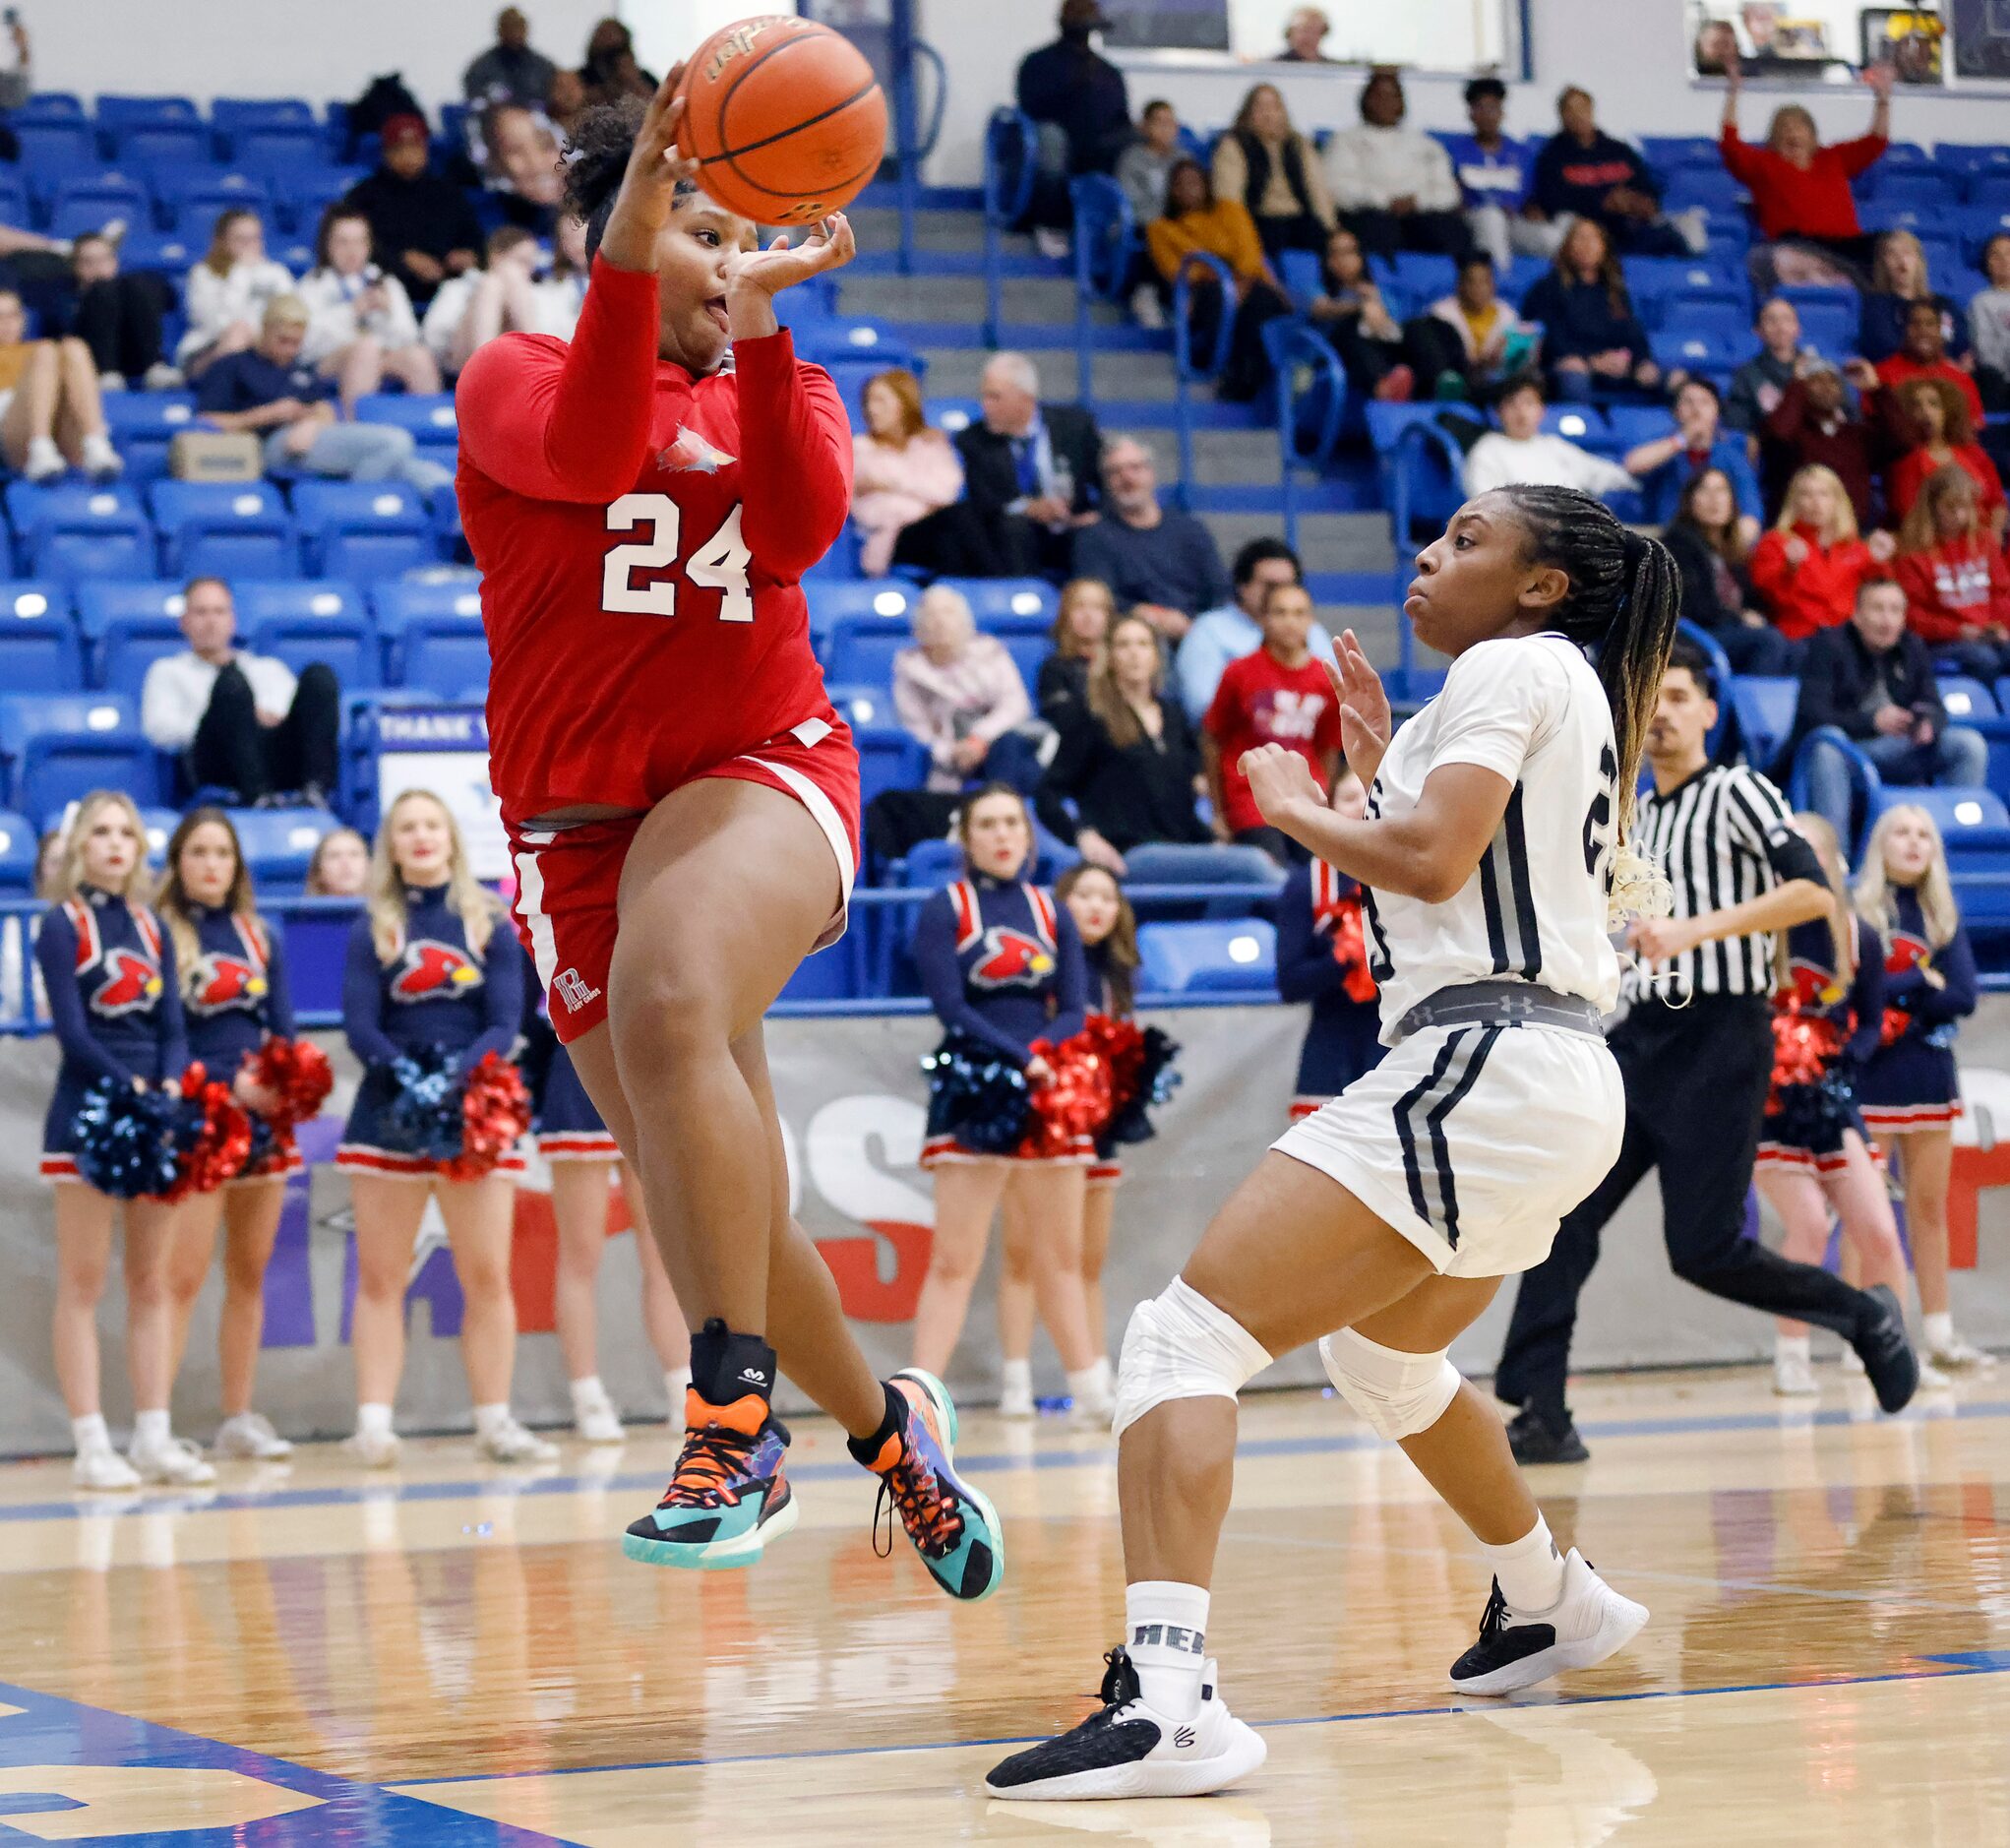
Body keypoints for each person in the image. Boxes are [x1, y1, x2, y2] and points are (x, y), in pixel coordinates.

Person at [988, 485, 1682, 1805]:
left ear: (1541, 584)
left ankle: (1170, 1696)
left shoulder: (1506, 663)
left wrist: (1295, 800)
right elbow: (1460, 867)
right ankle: (1547, 1597)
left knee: (1180, 1339)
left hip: (1480, 1058)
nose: (1427, 552)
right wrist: (1377, 762)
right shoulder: (1539, 685)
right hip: (1548, 1073)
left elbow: (1425, 864)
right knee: (1382, 1357)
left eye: (1467, 540)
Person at [458, 79, 1004, 1591]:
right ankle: (891, 1432)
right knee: (727, 1208)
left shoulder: (794, 386)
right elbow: (580, 458)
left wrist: (766, 331)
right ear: (629, 239)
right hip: (573, 831)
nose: (721, 257)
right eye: (697, 231)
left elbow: (794, 531)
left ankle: (727, 1413)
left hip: (762, 765)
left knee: (676, 991)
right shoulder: (515, 374)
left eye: (738, 234)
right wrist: (646, 191)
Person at [1494, 635, 1919, 1469]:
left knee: (1704, 1250)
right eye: (1652, 701)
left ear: (1711, 713)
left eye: (1681, 698)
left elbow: (1809, 890)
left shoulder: (1736, 791)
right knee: (1561, 1218)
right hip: (1639, 1036)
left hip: (1722, 1037)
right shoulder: (1632, 815)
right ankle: (1539, 1409)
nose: (1664, 716)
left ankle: (1863, 1314)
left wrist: (1695, 929)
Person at [335, 790, 553, 1467]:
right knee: (380, 1277)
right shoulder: (373, 925)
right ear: (392, 846)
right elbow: (361, 1026)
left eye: (432, 824)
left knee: (486, 1275)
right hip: (386, 1112)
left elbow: (505, 1020)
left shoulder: (488, 920)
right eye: (407, 828)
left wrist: (454, 1077)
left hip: (473, 1111)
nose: (421, 837)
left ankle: (495, 1421)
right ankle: (373, 1424)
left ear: (451, 839)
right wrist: (409, 1076)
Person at [911, 787, 1110, 1427]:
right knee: (954, 1259)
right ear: (966, 839)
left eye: (1011, 825)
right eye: (987, 825)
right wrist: (1018, 1056)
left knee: (1060, 1256)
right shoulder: (946, 907)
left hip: (1047, 1081)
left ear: (1027, 837)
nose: (1001, 835)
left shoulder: (1051, 909)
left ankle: (1090, 1392)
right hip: (977, 1082)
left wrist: (1042, 1053)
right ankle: (917, 1404)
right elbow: (951, 1008)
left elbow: (1075, 1005)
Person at [35, 792, 210, 1492]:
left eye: (125, 834)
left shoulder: (152, 926)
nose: (113, 844)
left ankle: (153, 1436)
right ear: (80, 846)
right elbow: (73, 1035)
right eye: (100, 833)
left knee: (151, 1282)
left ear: (140, 848)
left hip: (151, 1109)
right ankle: (89, 1442)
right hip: (87, 1109)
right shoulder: (61, 924)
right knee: (83, 1280)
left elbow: (172, 1025)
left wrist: (166, 1088)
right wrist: (130, 1090)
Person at [157, 809, 301, 1463]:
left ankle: (237, 1415)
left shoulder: (258, 935)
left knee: (249, 1272)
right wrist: (224, 1083)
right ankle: (154, 1426)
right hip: (197, 1121)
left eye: (221, 852)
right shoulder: (162, 935)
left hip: (260, 1125)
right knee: (181, 1277)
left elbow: (283, 1030)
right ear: (179, 863)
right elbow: (166, 1040)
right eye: (198, 852)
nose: (210, 864)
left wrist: (280, 1079)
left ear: (236, 865)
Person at [1756, 812, 1915, 1397]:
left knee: (1878, 1230)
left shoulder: (1856, 935)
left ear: (1830, 865)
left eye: (1810, 855)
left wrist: (1843, 1058)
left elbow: (1871, 1021)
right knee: (1808, 1225)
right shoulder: (1759, 934)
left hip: (1831, 1098)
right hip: (1770, 1107)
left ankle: (1886, 1349)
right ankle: (1791, 1356)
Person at [1855, 805, 1990, 1373]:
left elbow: (1962, 995)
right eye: (1902, 832)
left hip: (1929, 1077)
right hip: (1870, 1078)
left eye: (1924, 835)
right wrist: (1916, 980)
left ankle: (1938, 1335)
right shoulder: (1858, 912)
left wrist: (1898, 999)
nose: (1913, 843)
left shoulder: (1942, 916)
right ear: (1880, 844)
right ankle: (1865, 1340)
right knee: (1868, 1216)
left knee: (1929, 1210)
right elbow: (1861, 991)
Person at [539, 1042, 692, 1443]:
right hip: (577, 1076)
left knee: (663, 1252)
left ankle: (685, 1392)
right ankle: (587, 1396)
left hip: (643, 1072)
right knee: (581, 1253)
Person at [1790, 577, 1987, 844]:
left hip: (1900, 748)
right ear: (1857, 615)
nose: (1887, 620)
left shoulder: (1912, 646)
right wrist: (1872, 722)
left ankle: (1956, 849)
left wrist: (1928, 723)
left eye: (1895, 611)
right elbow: (1811, 715)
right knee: (1827, 745)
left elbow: (1934, 704)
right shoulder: (1828, 646)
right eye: (1878, 609)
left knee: (1968, 744)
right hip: (1850, 751)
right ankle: (1838, 861)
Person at [194, 296, 452, 495]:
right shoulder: (233, 365)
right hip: (268, 444)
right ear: (266, 329)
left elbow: (323, 407)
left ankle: (461, 506)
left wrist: (312, 421)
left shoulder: (300, 368)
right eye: (283, 340)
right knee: (394, 443)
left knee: (410, 468)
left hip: (309, 436)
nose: (290, 349)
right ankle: (355, 506)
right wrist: (267, 415)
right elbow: (207, 419)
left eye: (296, 342)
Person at [1050, 861, 1140, 1416]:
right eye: (1083, 894)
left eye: (1106, 896)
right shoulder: (1052, 963)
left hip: (1102, 1116)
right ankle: (1020, 1380)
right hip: (1054, 1114)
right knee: (1032, 1257)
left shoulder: (1120, 973)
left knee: (1088, 1260)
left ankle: (1097, 1381)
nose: (1096, 906)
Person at [140, 577, 339, 808]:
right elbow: (159, 729)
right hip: (217, 762)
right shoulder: (168, 671)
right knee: (232, 687)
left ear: (232, 620)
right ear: (184, 622)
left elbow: (298, 718)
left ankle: (316, 792)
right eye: (201, 613)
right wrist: (225, 718)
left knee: (320, 677)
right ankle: (257, 797)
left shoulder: (268, 668)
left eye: (219, 612)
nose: (211, 621)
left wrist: (265, 718)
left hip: (274, 757)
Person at [1038, 611, 1209, 874]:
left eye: (1143, 644)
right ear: (1109, 656)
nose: (1134, 653)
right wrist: (1082, 836)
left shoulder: (1174, 716)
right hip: (1131, 853)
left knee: (1251, 861)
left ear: (1156, 655)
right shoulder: (1090, 716)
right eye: (1123, 645)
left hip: (1185, 845)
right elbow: (1048, 793)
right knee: (1251, 867)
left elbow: (1193, 785)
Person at [1720, 51, 1891, 288]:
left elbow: (1876, 142)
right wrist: (1733, 91)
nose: (1792, 133)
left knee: (1893, 246)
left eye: (1800, 127)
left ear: (1812, 135)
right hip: (1797, 245)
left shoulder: (1833, 158)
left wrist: (1882, 99)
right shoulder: (1764, 164)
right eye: (1784, 128)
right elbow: (1729, 145)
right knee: (1769, 258)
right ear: (1773, 137)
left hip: (1846, 247)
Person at [1201, 580, 1343, 863]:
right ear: (1264, 619)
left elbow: (1328, 749)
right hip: (1249, 802)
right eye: (1280, 612)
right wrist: (1218, 812)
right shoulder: (1238, 673)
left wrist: (1321, 797)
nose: (1290, 621)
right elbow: (1212, 741)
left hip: (1306, 802)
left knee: (1318, 878)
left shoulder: (1325, 680)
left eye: (1299, 613)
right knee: (1272, 876)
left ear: (1310, 620)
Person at [1275, 767, 1383, 1124]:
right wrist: (1345, 956)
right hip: (1330, 1047)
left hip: (1395, 1048)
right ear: (1330, 808)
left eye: (1370, 795)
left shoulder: (1416, 875)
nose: (1361, 807)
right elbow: (1290, 983)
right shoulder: (1305, 884)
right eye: (1349, 798)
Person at [1141, 158, 1292, 403]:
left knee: (1263, 303)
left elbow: (1249, 253)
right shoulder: (1160, 229)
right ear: (1171, 191)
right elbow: (1175, 270)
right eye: (1180, 185)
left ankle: (1250, 376)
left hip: (1248, 280)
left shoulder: (1230, 210)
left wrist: (1239, 284)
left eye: (1195, 182)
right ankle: (1230, 372)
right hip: (1203, 288)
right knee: (1217, 299)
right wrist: (1217, 277)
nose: (1189, 189)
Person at [952, 350, 1102, 579]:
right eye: (984, 397)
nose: (985, 406)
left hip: (1072, 528)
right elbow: (984, 504)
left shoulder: (1075, 427)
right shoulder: (973, 440)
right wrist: (1029, 508)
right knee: (1013, 528)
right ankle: (1023, 601)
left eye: (995, 397)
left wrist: (1098, 516)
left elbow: (1106, 478)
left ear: (1025, 398)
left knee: (1097, 534)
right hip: (1014, 539)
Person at [1073, 436, 1232, 641]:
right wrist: (1152, 616)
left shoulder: (1191, 530)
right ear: (1105, 482)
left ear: (1151, 472)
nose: (1127, 478)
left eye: (1135, 468)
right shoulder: (1094, 538)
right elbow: (1100, 600)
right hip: (1132, 639)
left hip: (1199, 636)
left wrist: (1197, 629)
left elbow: (1220, 590)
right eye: (1115, 472)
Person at [892, 585, 1041, 796]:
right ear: (918, 626)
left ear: (964, 620)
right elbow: (916, 729)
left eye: (948, 613)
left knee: (1011, 747)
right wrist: (952, 752)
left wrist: (979, 739)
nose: (940, 621)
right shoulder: (909, 668)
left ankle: (997, 810)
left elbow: (1015, 705)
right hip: (948, 765)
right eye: (931, 614)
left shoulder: (990, 651)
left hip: (998, 746)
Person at [297, 206, 442, 416]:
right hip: (327, 362)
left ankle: (427, 430)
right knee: (367, 348)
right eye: (343, 242)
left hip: (381, 355)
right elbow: (305, 346)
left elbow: (410, 337)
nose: (352, 250)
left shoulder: (386, 283)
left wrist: (389, 311)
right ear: (327, 245)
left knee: (419, 357)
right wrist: (351, 312)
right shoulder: (312, 285)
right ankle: (359, 430)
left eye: (359, 241)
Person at [1320, 68, 1472, 265]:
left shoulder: (1426, 144)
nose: (1385, 103)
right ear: (1365, 101)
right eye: (1378, 96)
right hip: (1372, 212)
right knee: (1375, 227)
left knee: (1452, 229)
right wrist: (1384, 200)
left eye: (1393, 96)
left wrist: (1417, 202)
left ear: (1402, 103)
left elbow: (1448, 192)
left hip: (1420, 212)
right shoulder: (1345, 141)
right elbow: (1337, 188)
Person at [1179, 537, 1337, 722]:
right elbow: (1201, 707)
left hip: (1305, 743)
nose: (1279, 593)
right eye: (1270, 585)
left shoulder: (1311, 630)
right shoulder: (1209, 629)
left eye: (1288, 585)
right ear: (1242, 586)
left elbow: (1336, 699)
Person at [1016, 0, 1131, 254]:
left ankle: (1120, 226)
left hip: (1099, 146)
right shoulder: (1037, 63)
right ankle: (1051, 223)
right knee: (1051, 140)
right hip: (1058, 141)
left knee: (1133, 143)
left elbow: (1122, 118)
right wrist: (1074, 88)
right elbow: (1031, 108)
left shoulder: (1108, 72)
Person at [1530, 86, 1697, 259]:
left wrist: (1638, 201)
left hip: (1630, 225)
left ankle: (1698, 275)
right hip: (1587, 230)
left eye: (1583, 108)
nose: (1578, 115)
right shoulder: (1551, 155)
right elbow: (1552, 202)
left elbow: (1646, 187)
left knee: (1684, 228)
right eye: (1571, 110)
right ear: (1562, 115)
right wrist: (1603, 202)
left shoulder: (1619, 150)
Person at [1663, 466, 1796, 675]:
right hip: (1696, 635)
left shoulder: (1733, 550)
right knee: (1769, 642)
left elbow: (1753, 599)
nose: (1714, 500)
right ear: (1690, 500)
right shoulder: (1678, 545)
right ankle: (1745, 707)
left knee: (1797, 649)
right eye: (1705, 491)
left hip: (1729, 631)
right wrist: (1741, 618)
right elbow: (1696, 606)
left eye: (1721, 491)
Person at [342, 114, 484, 308]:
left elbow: (475, 239)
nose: (408, 155)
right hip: (386, 291)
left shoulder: (448, 193)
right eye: (399, 148)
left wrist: (468, 255)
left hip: (450, 290)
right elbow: (355, 246)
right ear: (386, 153)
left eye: (415, 146)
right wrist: (403, 260)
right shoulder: (363, 197)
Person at [1519, 216, 1660, 402]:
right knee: (1574, 377)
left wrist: (1640, 361)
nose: (1587, 245)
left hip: (1614, 367)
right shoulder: (1547, 288)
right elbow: (1548, 338)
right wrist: (1591, 361)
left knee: (1670, 379)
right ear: (1567, 245)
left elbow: (1632, 332)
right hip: (1567, 367)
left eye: (1593, 239)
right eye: (1580, 238)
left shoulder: (1615, 291)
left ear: (1604, 247)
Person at [422, 221, 588, 376]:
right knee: (492, 284)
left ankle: (533, 368)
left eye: (531, 264)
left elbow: (561, 334)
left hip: (517, 361)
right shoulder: (460, 286)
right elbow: (436, 340)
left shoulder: (536, 291)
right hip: (462, 360)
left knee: (505, 285)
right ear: (496, 256)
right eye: (520, 261)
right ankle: (484, 370)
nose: (527, 270)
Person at [1749, 464, 1891, 644]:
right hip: (1800, 638)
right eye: (1807, 495)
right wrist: (1789, 569)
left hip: (1849, 639)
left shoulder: (1855, 547)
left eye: (1824, 494)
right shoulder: (1775, 542)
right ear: (1794, 501)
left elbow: (1881, 595)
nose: (1816, 502)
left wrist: (1878, 563)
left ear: (1837, 501)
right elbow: (1770, 598)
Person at [1895, 464, 2010, 679]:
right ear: (1933, 507)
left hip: (1986, 635)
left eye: (1965, 507)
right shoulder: (1913, 551)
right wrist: (1957, 630)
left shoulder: (1984, 541)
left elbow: (2001, 593)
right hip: (1939, 643)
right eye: (1950, 507)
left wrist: (1999, 626)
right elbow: (1911, 614)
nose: (1959, 515)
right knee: (1984, 659)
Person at [0, 286, 122, 482]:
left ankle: (96, 443)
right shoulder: (41, 352)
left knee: (75, 347)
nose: (6, 324)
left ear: (23, 319)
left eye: (12, 316)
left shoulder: (33, 348)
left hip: (63, 431)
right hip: (12, 433)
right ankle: (39, 448)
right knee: (45, 352)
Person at [851, 366, 963, 577]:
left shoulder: (929, 444)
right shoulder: (859, 448)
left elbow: (948, 493)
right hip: (893, 541)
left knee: (966, 519)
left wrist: (892, 484)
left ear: (903, 403)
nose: (871, 409)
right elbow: (873, 512)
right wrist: (927, 505)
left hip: (938, 529)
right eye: (868, 401)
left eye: (880, 401)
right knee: (954, 522)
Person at [1443, 77, 1563, 274]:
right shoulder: (1455, 151)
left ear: (1502, 113)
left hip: (1515, 222)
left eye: (1493, 108)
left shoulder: (1521, 153)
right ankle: (1498, 287)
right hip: (1475, 220)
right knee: (1492, 218)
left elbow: (1532, 197)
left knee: (1553, 237)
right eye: (1480, 108)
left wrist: (1532, 208)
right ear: (1471, 114)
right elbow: (1449, 195)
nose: (1487, 115)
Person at [1211, 83, 1337, 261]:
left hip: (1299, 218)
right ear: (1248, 113)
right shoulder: (1234, 146)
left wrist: (1331, 229)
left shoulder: (1298, 145)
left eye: (1274, 107)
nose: (1268, 115)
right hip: (1259, 220)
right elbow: (1231, 199)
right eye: (1261, 107)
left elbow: (1318, 190)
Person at [1461, 373, 1637, 499]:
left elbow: (1603, 473)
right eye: (1512, 404)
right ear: (1499, 412)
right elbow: (1483, 505)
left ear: (1541, 411)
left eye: (1529, 403)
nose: (1521, 412)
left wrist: (1631, 473)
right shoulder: (1487, 451)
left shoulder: (1554, 446)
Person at [1621, 377, 1763, 531]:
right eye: (1688, 402)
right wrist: (1682, 439)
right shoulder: (1665, 447)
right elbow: (1632, 465)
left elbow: (1751, 514)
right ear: (1676, 412)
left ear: (1717, 412)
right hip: (1665, 537)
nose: (1696, 409)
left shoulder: (1732, 456)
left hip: (1714, 540)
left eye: (1704, 402)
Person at [177, 209, 294, 376]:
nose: (250, 246)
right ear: (223, 242)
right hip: (208, 352)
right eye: (241, 240)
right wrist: (240, 274)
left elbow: (292, 316)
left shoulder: (277, 273)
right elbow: (217, 325)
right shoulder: (204, 274)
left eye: (255, 239)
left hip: (264, 352)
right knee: (238, 333)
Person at [1406, 254, 1538, 403]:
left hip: (1492, 383)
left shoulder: (1508, 315)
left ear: (1493, 285)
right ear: (1460, 285)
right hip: (1455, 377)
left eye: (1485, 282)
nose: (1478, 289)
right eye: (1472, 282)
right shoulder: (1440, 314)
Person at [1760, 361, 1877, 528]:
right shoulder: (1792, 432)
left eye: (1832, 381)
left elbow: (1903, 441)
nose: (1826, 387)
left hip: (1851, 534)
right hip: (1797, 535)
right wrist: (1796, 386)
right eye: (1817, 381)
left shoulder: (1855, 434)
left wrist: (1876, 390)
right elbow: (1778, 434)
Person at [1305, 224, 1413, 400]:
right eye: (1335, 253)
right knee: (1352, 324)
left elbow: (1395, 331)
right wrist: (1360, 307)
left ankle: (1437, 385)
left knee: (1421, 327)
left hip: (1379, 352)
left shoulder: (1378, 292)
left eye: (1349, 252)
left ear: (1360, 257)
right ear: (1327, 260)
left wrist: (1375, 301)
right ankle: (1382, 388)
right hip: (1335, 358)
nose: (1343, 260)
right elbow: (1321, 309)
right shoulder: (1315, 289)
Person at [1886, 379, 2006, 534]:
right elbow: (1908, 514)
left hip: (1983, 544)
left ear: (1947, 410)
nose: (1926, 412)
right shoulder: (1905, 461)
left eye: (1934, 404)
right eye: (1917, 406)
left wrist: (1992, 540)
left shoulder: (1972, 452)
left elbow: (1997, 503)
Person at [62, 230, 170, 390]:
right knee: (102, 292)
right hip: (90, 359)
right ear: (75, 266)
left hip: (133, 358)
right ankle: (107, 371)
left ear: (115, 261)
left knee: (136, 284)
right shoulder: (65, 298)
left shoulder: (133, 290)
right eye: (88, 262)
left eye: (103, 259)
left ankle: (155, 367)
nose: (97, 267)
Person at [1859, 296, 1984, 428]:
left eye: (1930, 324)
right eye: (1915, 324)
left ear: (1940, 331)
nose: (1923, 331)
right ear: (1904, 330)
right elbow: (1872, 426)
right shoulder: (1881, 375)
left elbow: (1974, 426)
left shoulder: (1960, 378)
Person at [1859, 229, 1969, 367]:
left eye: (1907, 253)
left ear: (1918, 260)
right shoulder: (1876, 305)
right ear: (1883, 263)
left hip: (1946, 376)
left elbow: (1958, 342)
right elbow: (1884, 345)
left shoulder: (1943, 305)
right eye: (1892, 254)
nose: (1901, 260)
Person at [1727, 296, 1811, 435]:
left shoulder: (1819, 370)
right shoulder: (1746, 374)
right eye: (1771, 320)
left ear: (1798, 328)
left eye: (1787, 319)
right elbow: (1737, 423)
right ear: (1758, 331)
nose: (1780, 327)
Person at [1038, 576, 1113, 724]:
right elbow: (1063, 720)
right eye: (1079, 607)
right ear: (1065, 614)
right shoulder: (1054, 669)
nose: (1088, 616)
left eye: (1097, 607)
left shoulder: (1120, 663)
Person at [464, 6, 558, 111]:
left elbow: (555, 100)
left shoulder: (544, 67)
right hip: (496, 122)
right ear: (499, 30)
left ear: (526, 30)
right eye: (508, 26)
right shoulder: (481, 68)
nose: (514, 32)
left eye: (518, 26)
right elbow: (476, 100)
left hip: (536, 121)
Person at [1117, 99, 1184, 232]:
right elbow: (1131, 204)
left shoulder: (1183, 158)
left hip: (1182, 223)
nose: (1166, 129)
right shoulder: (1132, 159)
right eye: (1159, 123)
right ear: (1145, 126)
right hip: (1148, 225)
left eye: (1170, 123)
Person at [1970, 232, 2010, 413]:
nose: (2004, 260)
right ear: (1987, 263)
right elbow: (1984, 351)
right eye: (1996, 255)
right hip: (2002, 379)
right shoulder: (1981, 302)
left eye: (2009, 253)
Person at [578, 16, 656, 107]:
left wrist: (633, 80)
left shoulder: (644, 77)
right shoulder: (582, 77)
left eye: (619, 50)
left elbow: (655, 102)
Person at [306, 826, 371, 897]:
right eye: (334, 856)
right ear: (319, 870)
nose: (345, 863)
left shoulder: (385, 907)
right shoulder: (301, 908)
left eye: (354, 854)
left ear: (368, 865)